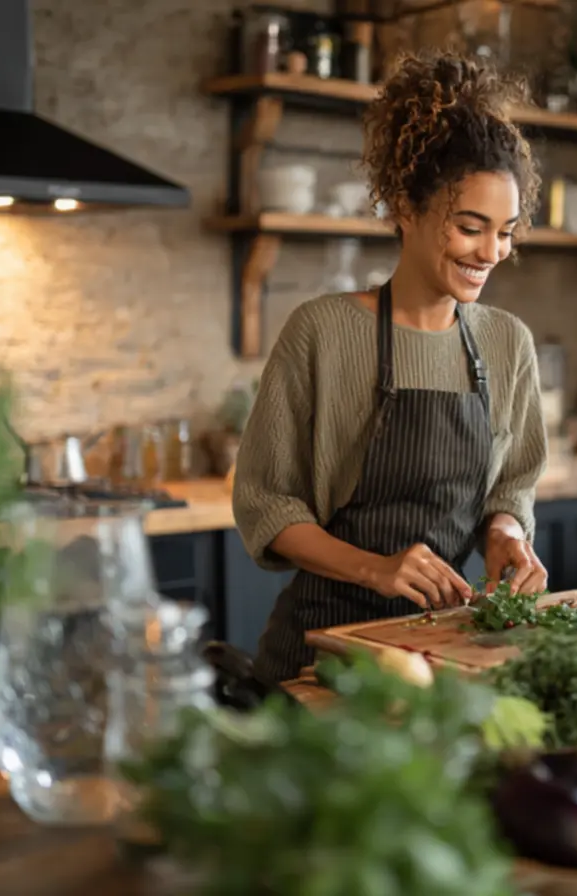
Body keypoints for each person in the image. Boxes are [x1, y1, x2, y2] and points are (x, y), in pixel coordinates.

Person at [232, 49, 549, 684]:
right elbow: (266, 503)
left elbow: (511, 484)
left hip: (441, 654)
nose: (491, 252)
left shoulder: (507, 344)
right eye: (469, 227)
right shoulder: (322, 331)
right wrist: (374, 567)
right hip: (320, 654)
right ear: (407, 208)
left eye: (506, 232)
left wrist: (506, 534)